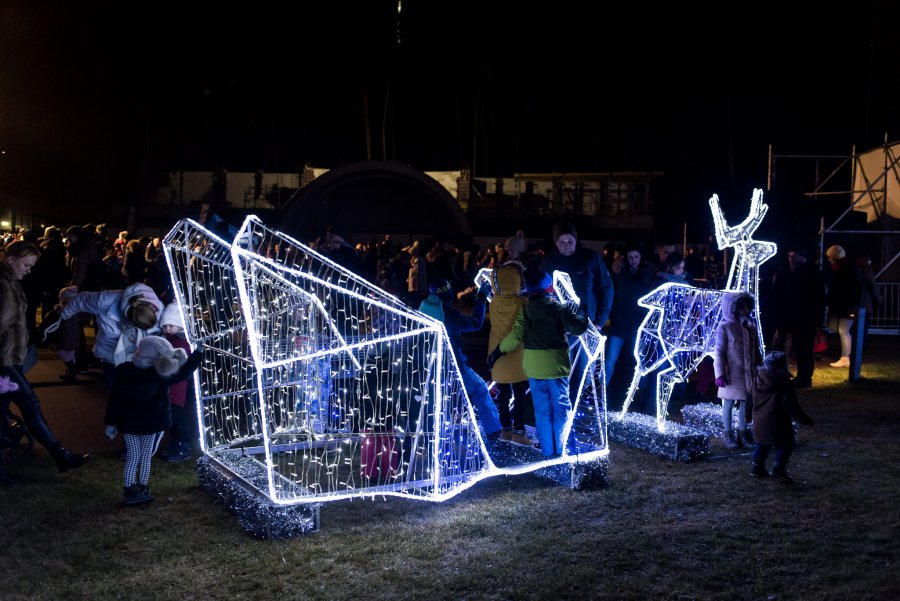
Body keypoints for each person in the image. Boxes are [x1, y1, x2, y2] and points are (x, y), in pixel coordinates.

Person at [0, 241, 91, 479]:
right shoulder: (3, 284)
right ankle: (60, 454)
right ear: (10, 259)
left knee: (2, 412)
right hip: (3, 364)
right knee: (30, 404)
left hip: (11, 360)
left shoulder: (11, 282)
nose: (29, 269)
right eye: (27, 264)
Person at [494, 269, 589, 458]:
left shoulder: (525, 310)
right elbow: (578, 328)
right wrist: (583, 311)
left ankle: (547, 451)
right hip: (556, 366)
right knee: (561, 407)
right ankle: (560, 450)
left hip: (535, 367)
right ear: (549, 288)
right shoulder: (558, 308)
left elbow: (515, 336)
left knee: (542, 410)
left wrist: (499, 350)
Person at [104, 335, 203, 506]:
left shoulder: (124, 371)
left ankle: (130, 489)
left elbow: (114, 399)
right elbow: (183, 372)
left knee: (134, 456)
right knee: (145, 456)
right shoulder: (159, 373)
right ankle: (141, 488)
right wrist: (198, 353)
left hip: (130, 423)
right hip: (152, 423)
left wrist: (111, 423)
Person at [418, 278, 503, 439]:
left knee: (437, 399)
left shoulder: (424, 308)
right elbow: (476, 323)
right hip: (454, 366)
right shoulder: (449, 315)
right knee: (479, 389)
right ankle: (493, 430)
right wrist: (481, 298)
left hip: (428, 365)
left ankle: (433, 433)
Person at [540, 221, 614, 405]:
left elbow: (606, 288)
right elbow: (540, 294)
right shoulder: (549, 263)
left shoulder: (590, 258)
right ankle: (561, 407)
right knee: (560, 370)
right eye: (563, 241)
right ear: (556, 242)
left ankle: (573, 407)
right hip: (559, 328)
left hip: (586, 327)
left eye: (570, 240)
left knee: (582, 371)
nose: (567, 244)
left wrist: (599, 321)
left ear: (576, 240)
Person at [58, 282, 163, 392]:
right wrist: (65, 314)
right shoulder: (105, 300)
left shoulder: (159, 309)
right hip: (110, 357)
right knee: (116, 393)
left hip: (139, 359)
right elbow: (81, 300)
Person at [485, 261, 533, 447]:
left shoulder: (494, 303)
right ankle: (519, 433)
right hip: (517, 356)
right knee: (520, 395)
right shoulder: (523, 302)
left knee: (504, 395)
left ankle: (506, 430)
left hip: (496, 355)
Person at [750, 351, 815, 482]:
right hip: (777, 422)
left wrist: (747, 415)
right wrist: (805, 420)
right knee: (786, 445)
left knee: (761, 445)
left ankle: (757, 467)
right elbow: (790, 404)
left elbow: (749, 399)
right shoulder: (784, 382)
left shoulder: (757, 380)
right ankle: (778, 469)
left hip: (759, 420)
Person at [604, 244, 656, 401]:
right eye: (631, 257)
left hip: (636, 323)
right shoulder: (621, 273)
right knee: (610, 359)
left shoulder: (647, 274)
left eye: (636, 257)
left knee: (638, 359)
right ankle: (603, 388)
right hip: (620, 321)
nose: (633, 260)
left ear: (640, 258)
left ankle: (639, 390)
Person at [770, 247, 826, 389]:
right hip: (797, 316)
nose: (791, 260)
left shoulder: (809, 272)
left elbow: (817, 297)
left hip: (805, 317)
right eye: (789, 257)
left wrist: (816, 317)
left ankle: (805, 377)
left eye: (793, 257)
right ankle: (802, 376)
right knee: (799, 347)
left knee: (804, 348)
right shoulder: (796, 272)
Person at [714, 291, 761, 449]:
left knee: (745, 403)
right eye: (742, 307)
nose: (746, 311)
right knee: (728, 403)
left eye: (748, 307)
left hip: (748, 373)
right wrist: (720, 373)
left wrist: (759, 367)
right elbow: (719, 352)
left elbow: (756, 350)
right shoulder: (725, 327)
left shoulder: (750, 327)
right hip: (731, 374)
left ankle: (743, 432)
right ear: (733, 308)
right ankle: (728, 433)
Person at [159, 303, 195, 462]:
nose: (167, 329)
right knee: (172, 420)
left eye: (171, 326)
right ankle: (174, 445)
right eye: (165, 325)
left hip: (176, 389)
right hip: (169, 386)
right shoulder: (170, 339)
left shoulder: (182, 344)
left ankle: (183, 446)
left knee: (178, 419)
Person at [823, 245, 861, 368]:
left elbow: (853, 288)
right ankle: (846, 356)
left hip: (847, 305)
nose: (828, 259)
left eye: (830, 257)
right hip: (843, 305)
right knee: (839, 328)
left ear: (835, 257)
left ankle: (845, 357)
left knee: (843, 330)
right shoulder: (842, 268)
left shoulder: (846, 269)